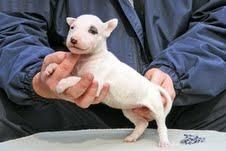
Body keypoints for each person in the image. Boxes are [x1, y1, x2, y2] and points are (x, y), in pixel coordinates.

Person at [0, 0, 226, 142]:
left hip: (189, 98)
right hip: (70, 106)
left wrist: (175, 70)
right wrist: (35, 75)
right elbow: (12, 28)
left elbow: (219, 22)